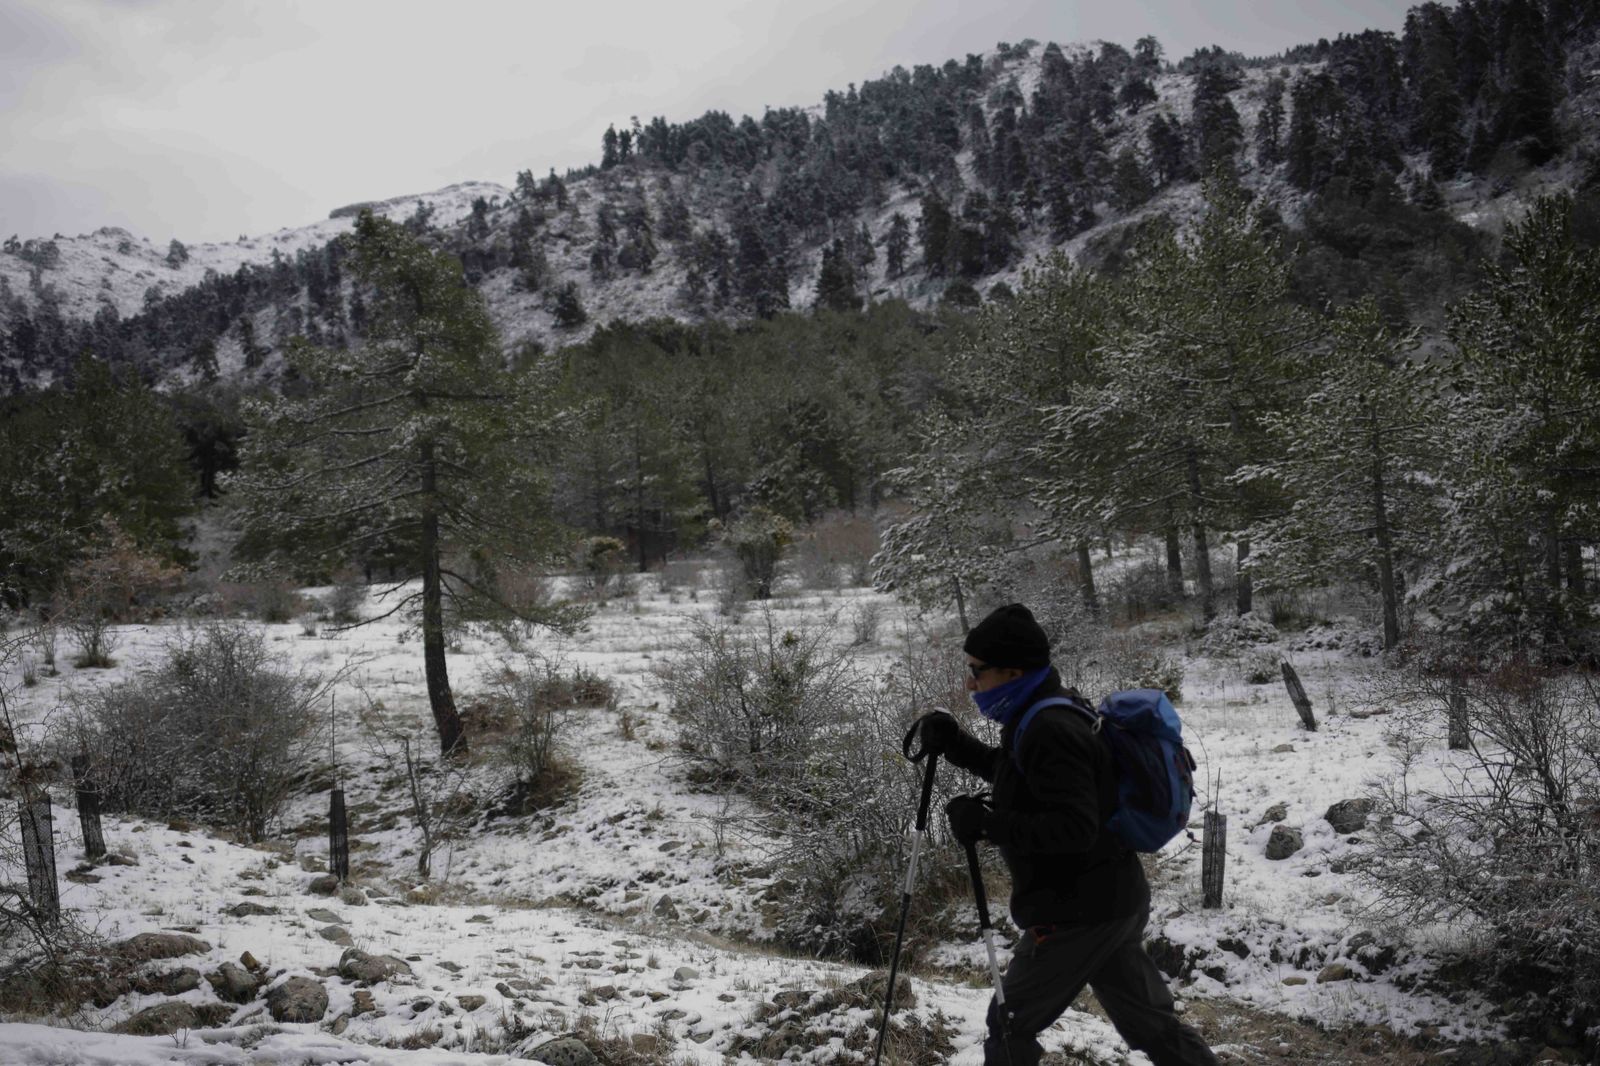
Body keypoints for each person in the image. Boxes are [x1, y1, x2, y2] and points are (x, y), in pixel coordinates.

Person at [913, 603, 1218, 1066]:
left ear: (1011, 671)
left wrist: (987, 825)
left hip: (1077, 913)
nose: (969, 684)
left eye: (977, 672)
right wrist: (955, 744)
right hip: (1111, 900)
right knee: (1151, 1024)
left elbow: (1073, 828)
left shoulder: (1049, 728)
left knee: (1010, 1022)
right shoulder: (1043, 710)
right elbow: (1020, 776)